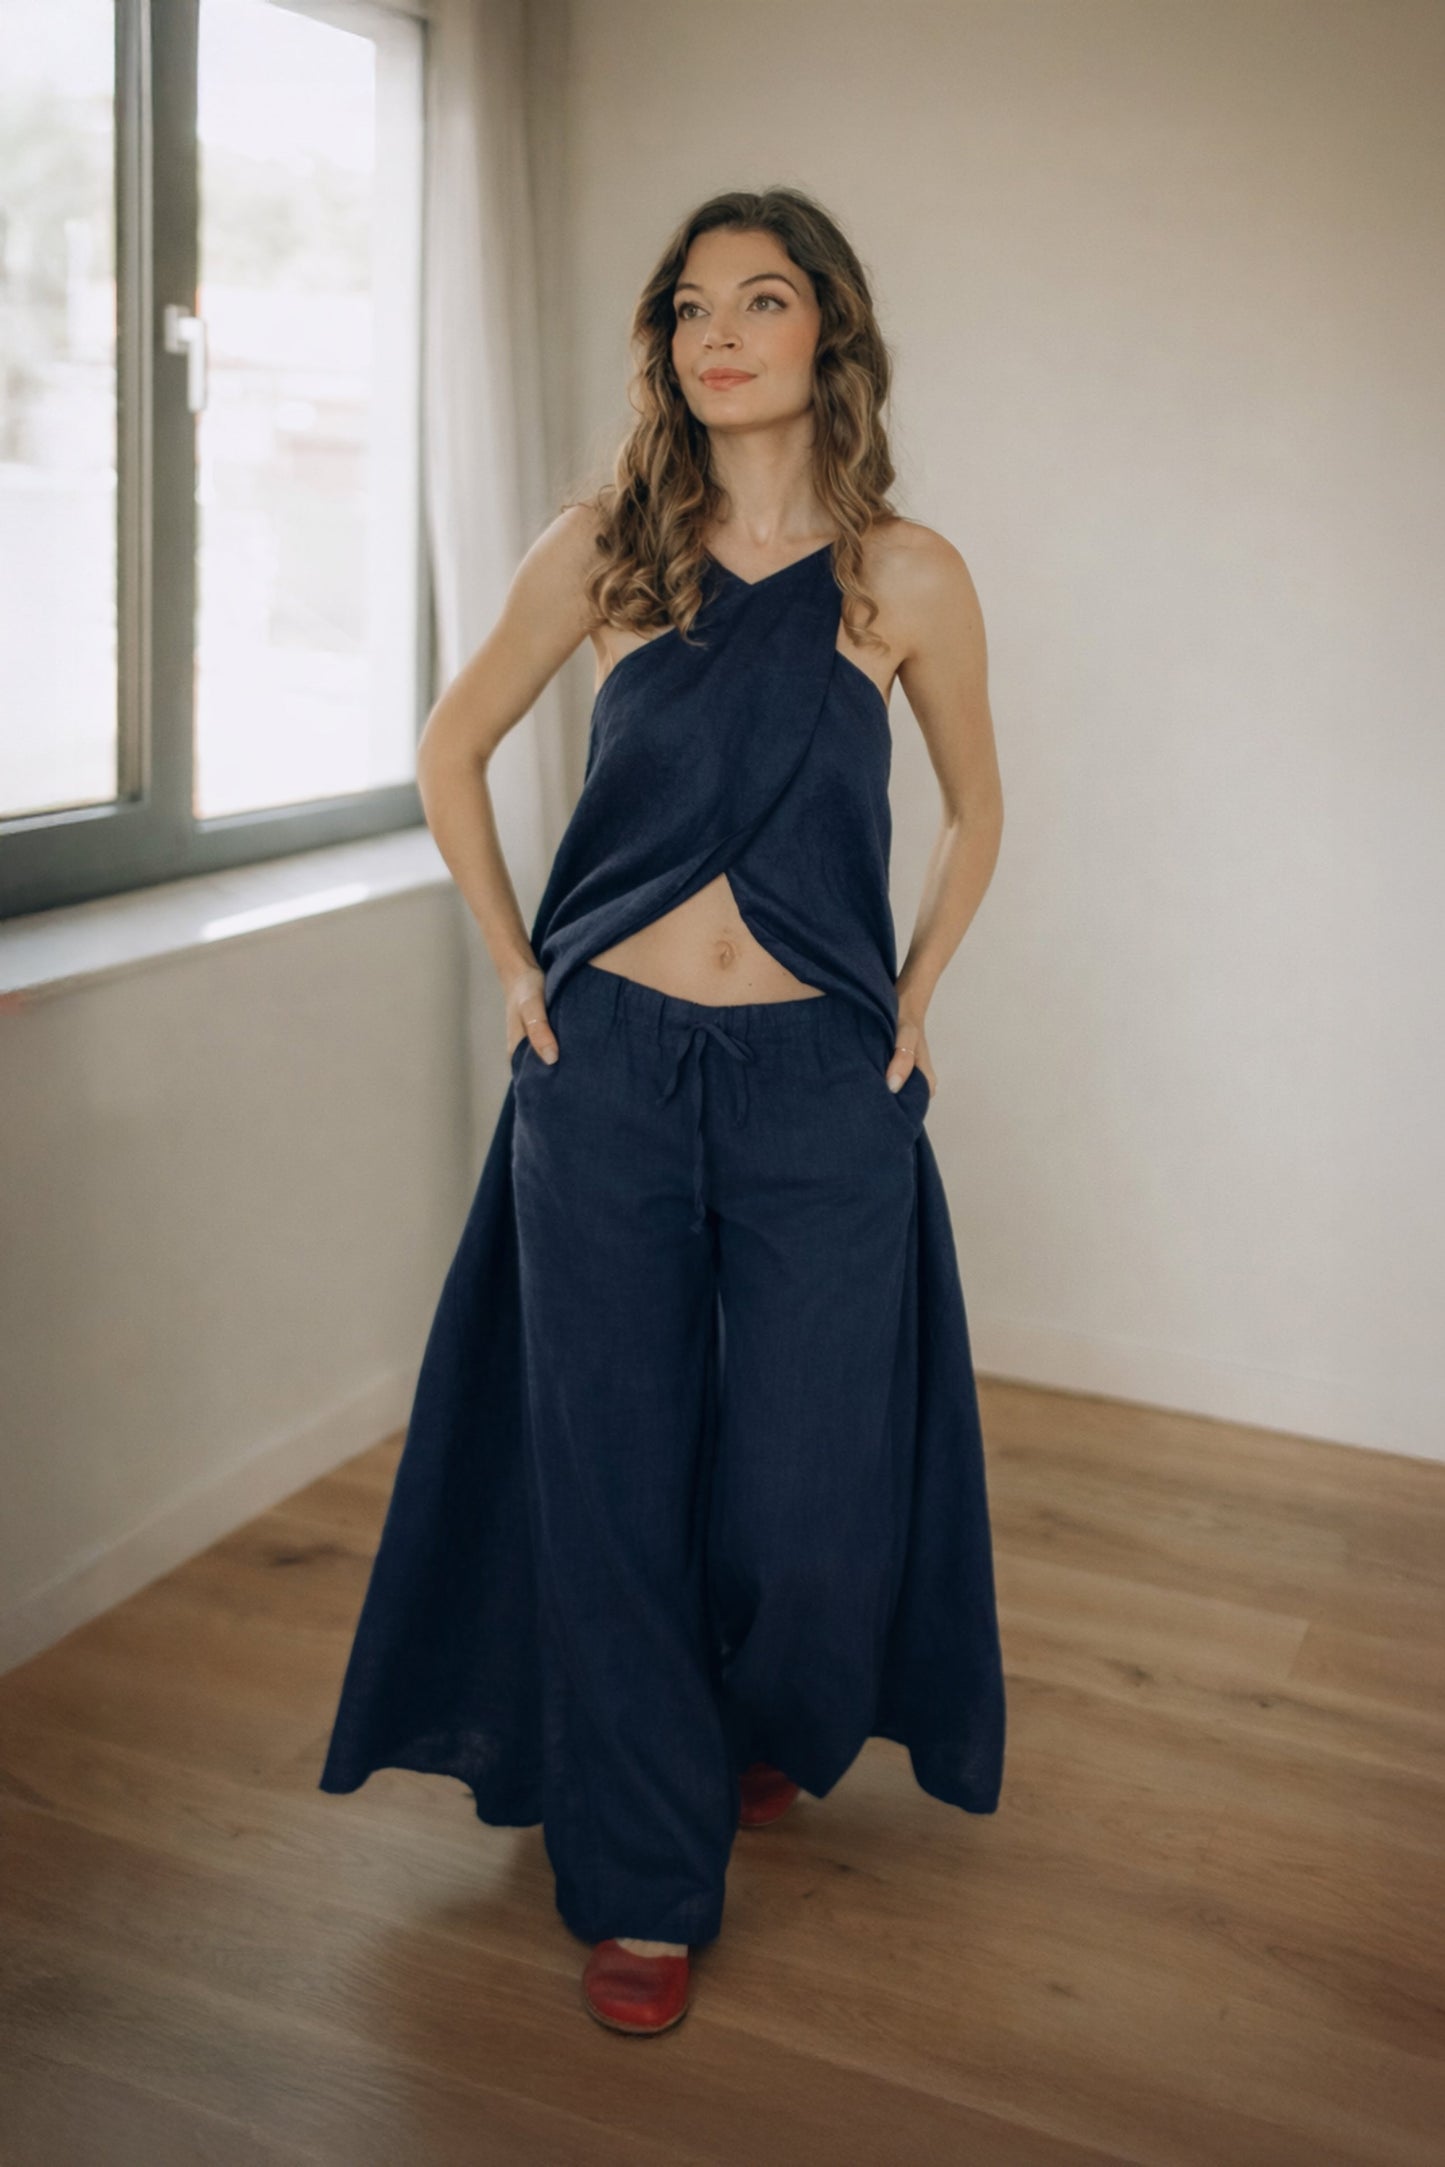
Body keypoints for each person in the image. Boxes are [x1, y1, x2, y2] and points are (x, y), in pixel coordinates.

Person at [318, 185, 1007, 2037]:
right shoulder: (607, 553)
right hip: (608, 1070)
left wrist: (915, 996)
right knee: (610, 1481)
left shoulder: (904, 577)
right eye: (691, 306)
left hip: (817, 1084)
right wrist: (513, 966)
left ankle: (756, 1713)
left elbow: (977, 808)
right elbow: (450, 748)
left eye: (760, 300)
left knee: (808, 1510)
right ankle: (636, 1878)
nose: (718, 333)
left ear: (825, 332)